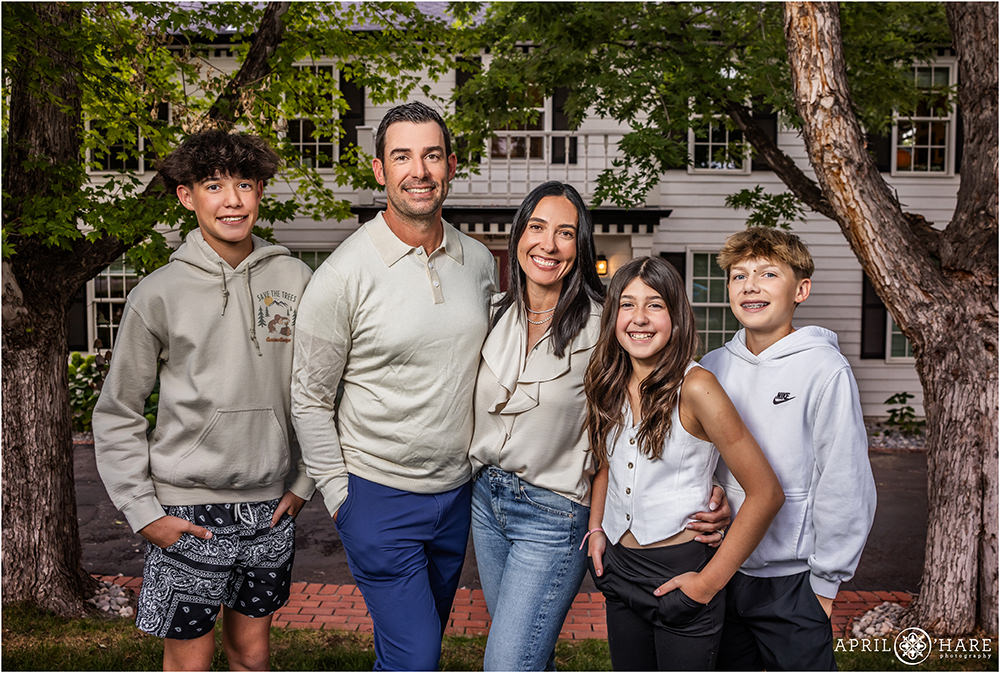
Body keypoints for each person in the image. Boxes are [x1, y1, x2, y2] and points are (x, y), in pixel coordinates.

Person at [469, 183, 733, 671]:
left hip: (553, 512)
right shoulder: (491, 314)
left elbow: (659, 405)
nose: (548, 244)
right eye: (537, 227)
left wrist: (714, 488)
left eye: (565, 233)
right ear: (518, 234)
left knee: (507, 665)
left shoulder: (604, 326)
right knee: (529, 655)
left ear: (581, 246)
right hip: (486, 503)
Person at [93, 130, 315, 671]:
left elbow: (320, 392)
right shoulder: (158, 293)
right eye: (214, 186)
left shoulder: (297, 279)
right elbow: (118, 411)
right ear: (187, 196)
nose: (232, 200)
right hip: (185, 509)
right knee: (189, 663)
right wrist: (145, 513)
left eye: (244, 184)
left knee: (251, 655)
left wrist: (305, 483)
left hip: (269, 509)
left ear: (261, 190)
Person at [290, 101, 498, 671]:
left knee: (404, 650)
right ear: (380, 170)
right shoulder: (342, 276)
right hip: (376, 494)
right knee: (417, 656)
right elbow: (308, 397)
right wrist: (340, 497)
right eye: (402, 156)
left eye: (431, 155)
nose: (419, 170)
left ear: (451, 164)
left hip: (456, 495)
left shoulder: (478, 262)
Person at [584, 256, 785, 671]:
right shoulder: (608, 377)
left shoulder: (697, 386)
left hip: (680, 575)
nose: (639, 318)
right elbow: (607, 461)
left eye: (655, 304)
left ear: (676, 315)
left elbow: (766, 493)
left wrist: (706, 585)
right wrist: (597, 528)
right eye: (627, 304)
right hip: (620, 570)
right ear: (612, 316)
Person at [700, 227, 877, 671]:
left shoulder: (824, 369)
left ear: (801, 289)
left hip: (793, 582)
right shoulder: (712, 367)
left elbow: (845, 479)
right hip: (723, 568)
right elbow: (701, 462)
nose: (750, 286)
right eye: (738, 276)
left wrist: (825, 584)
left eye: (768, 274)